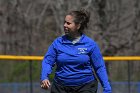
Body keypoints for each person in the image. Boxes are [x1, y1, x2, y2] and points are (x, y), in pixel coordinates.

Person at [40, 9, 112, 93]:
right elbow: (48, 62)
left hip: (85, 86)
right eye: (64, 22)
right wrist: (44, 77)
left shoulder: (90, 44)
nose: (64, 25)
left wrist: (107, 88)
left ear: (78, 26)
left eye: (68, 23)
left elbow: (99, 67)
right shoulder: (57, 43)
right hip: (60, 87)